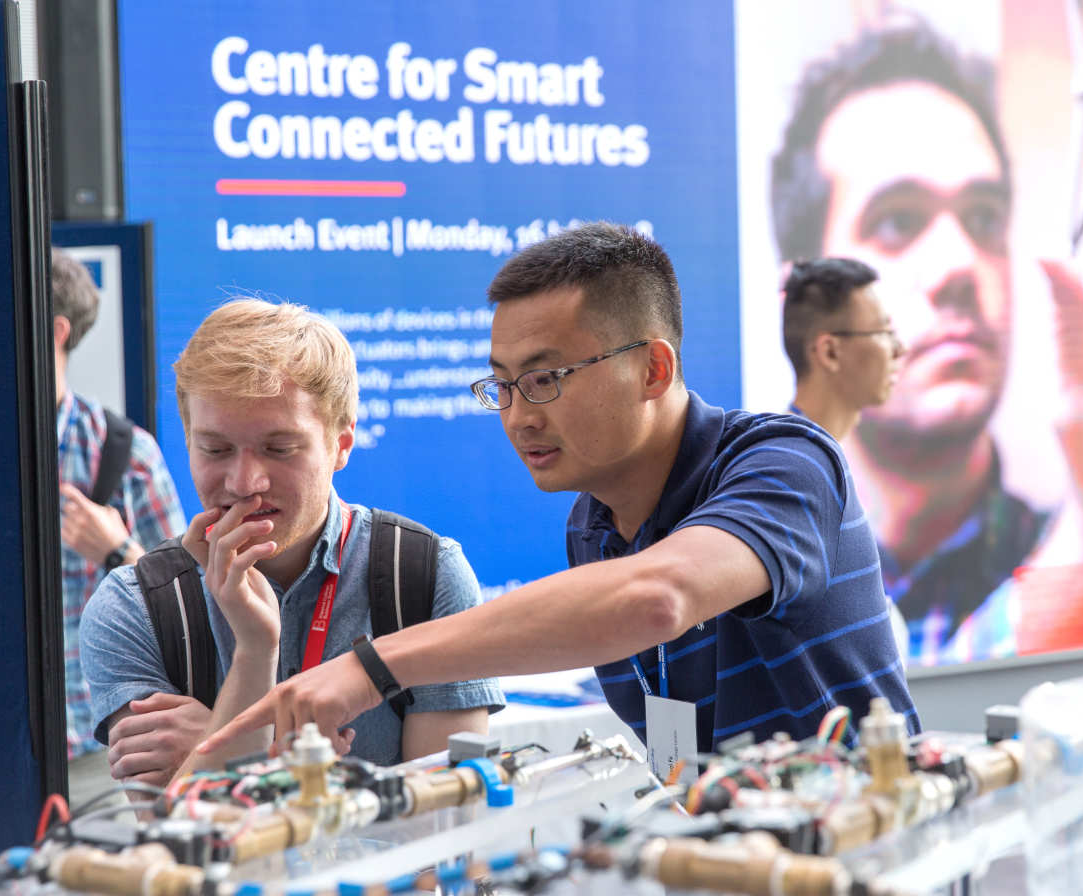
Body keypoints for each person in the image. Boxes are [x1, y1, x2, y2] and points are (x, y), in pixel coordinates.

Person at [198, 223, 917, 770]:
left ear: (653, 369)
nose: (519, 415)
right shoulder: (593, 525)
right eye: (503, 386)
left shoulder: (782, 461)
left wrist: (370, 667)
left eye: (545, 379)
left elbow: (658, 598)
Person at [768, 15, 1083, 663]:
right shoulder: (741, 583)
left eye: (984, 217)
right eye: (898, 221)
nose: (959, 265)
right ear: (803, 304)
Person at [79, 299, 503, 784]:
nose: (244, 482)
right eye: (215, 449)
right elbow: (168, 842)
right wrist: (257, 652)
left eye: (279, 449)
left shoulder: (424, 576)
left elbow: (443, 831)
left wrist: (219, 745)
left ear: (341, 445)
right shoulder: (135, 606)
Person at [52, 247, 186, 806]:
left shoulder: (123, 452)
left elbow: (193, 604)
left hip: (90, 753)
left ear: (53, 330)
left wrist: (116, 549)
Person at [782, 257, 904, 442]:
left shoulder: (811, 452)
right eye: (884, 332)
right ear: (829, 353)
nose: (901, 349)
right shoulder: (790, 461)